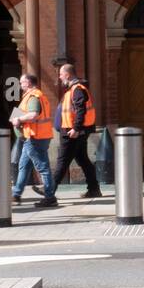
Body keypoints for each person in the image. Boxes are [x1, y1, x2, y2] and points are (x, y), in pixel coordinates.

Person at [53, 62, 101, 199]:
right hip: (73, 131)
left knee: (62, 161)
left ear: (67, 75)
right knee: (83, 160)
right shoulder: (73, 89)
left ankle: (49, 191)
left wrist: (76, 128)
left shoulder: (77, 89)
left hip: (72, 132)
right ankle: (94, 189)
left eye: (61, 74)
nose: (60, 77)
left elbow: (81, 110)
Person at [13, 73, 57, 208]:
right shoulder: (30, 96)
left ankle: (50, 197)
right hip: (32, 137)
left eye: (22, 82)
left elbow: (33, 115)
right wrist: (16, 118)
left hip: (35, 137)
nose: (20, 85)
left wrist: (19, 119)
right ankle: (16, 194)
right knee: (24, 166)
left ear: (29, 82)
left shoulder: (34, 97)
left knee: (42, 167)